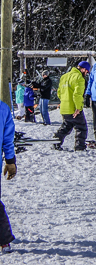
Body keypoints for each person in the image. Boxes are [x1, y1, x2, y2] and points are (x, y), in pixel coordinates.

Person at [52, 61, 90, 152]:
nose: (86, 73)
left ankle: (55, 142)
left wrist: (64, 101)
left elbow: (59, 93)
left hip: (64, 107)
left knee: (66, 126)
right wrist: (78, 108)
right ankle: (80, 147)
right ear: (83, 69)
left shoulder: (64, 76)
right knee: (81, 127)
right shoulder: (79, 78)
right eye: (87, 71)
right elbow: (77, 94)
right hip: (74, 107)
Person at [0, 89, 16, 254]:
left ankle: (4, 240)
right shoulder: (3, 108)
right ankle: (4, 241)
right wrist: (10, 161)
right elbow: (7, 139)